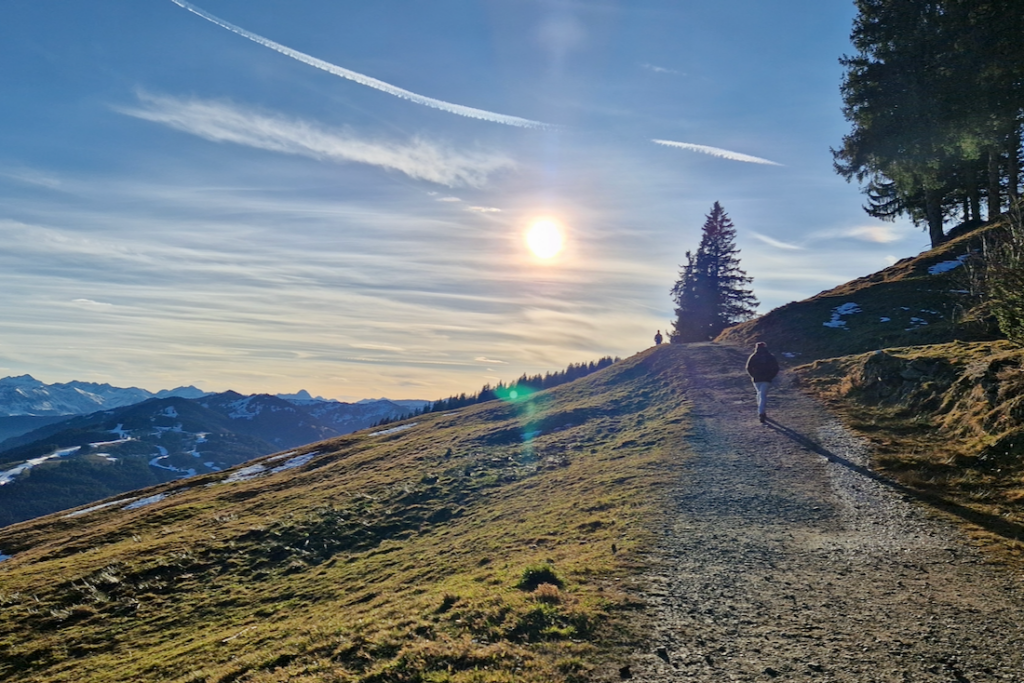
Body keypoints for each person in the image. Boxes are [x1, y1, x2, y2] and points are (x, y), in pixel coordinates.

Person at [745, 341, 779, 424]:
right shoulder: (770, 356)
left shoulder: (753, 356)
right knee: (763, 395)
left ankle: (761, 411)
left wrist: (752, 375)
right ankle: (761, 413)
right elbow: (776, 368)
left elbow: (748, 367)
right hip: (767, 379)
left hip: (756, 379)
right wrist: (771, 376)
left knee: (759, 394)